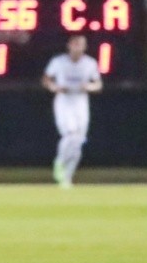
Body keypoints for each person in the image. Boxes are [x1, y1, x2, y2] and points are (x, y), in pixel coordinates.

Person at [42, 34, 102, 188]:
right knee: (70, 134)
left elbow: (98, 84)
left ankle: (66, 178)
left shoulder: (90, 63)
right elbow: (46, 79)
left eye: (81, 45)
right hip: (64, 101)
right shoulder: (59, 62)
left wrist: (88, 87)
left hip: (80, 102)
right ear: (69, 46)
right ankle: (60, 162)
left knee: (79, 141)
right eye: (75, 44)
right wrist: (54, 87)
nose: (78, 48)